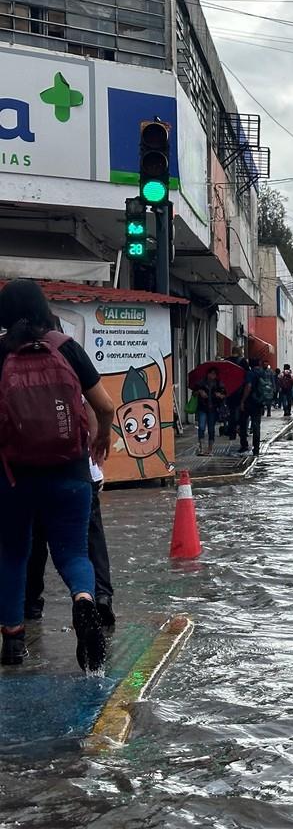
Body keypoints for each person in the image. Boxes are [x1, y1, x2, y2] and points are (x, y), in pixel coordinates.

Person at [0, 279, 113, 671]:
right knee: (74, 552)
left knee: (14, 552)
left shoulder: (1, 353)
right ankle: (84, 600)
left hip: (14, 476)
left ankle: (13, 640)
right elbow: (106, 404)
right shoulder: (66, 347)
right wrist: (102, 439)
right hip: (69, 470)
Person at [26, 399, 115, 629]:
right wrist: (97, 456)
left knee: (32, 541)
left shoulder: (9, 363)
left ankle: (28, 607)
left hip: (28, 472)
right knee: (87, 542)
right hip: (77, 470)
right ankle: (98, 597)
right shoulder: (73, 361)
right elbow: (101, 407)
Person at [239, 358, 273, 456]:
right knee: (256, 425)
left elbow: (248, 386)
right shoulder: (264, 373)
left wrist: (243, 400)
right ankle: (256, 447)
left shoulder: (250, 373)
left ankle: (244, 444)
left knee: (243, 423)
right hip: (259, 401)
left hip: (249, 402)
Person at [195, 368, 226, 455]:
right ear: (208, 374)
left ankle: (210, 449)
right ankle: (201, 447)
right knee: (201, 427)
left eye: (214, 374)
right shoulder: (201, 382)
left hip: (213, 409)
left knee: (211, 429)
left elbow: (224, 394)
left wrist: (220, 395)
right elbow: (194, 392)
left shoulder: (219, 383)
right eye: (211, 373)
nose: (212, 376)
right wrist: (200, 392)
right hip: (203, 408)